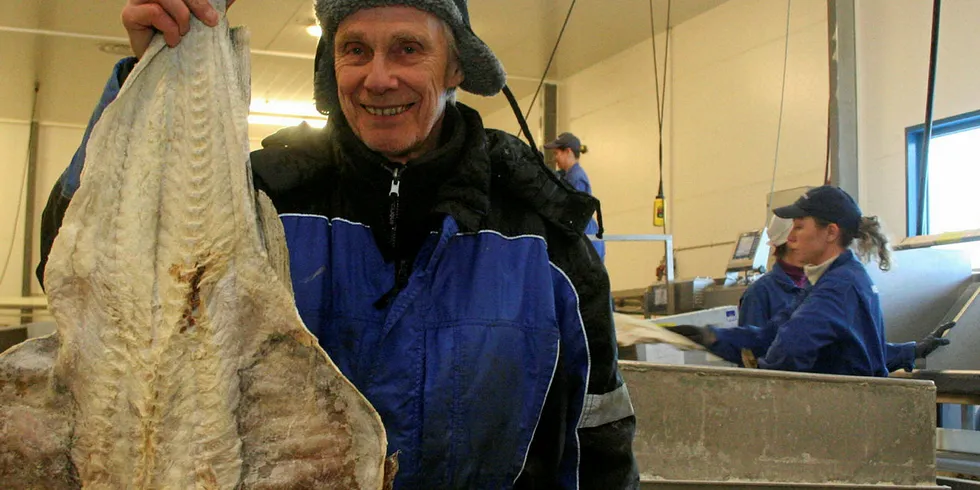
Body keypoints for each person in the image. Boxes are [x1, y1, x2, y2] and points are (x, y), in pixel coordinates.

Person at [35, 1, 639, 488]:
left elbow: (601, 442)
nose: (379, 77)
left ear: (456, 68)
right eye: (356, 50)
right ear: (332, 68)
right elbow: (76, 263)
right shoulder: (260, 200)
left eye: (408, 48)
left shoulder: (544, 242)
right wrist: (150, 68)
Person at [667, 186, 950, 376]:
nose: (794, 236)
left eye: (801, 227)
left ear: (830, 232)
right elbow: (774, 333)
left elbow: (792, 344)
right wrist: (711, 337)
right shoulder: (823, 281)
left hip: (846, 420)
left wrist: (762, 380)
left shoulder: (840, 285)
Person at [545, 132, 605, 261]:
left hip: (587, 244)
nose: (555, 158)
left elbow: (574, 214)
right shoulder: (566, 176)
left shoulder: (577, 179)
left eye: (556, 153)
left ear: (568, 152)